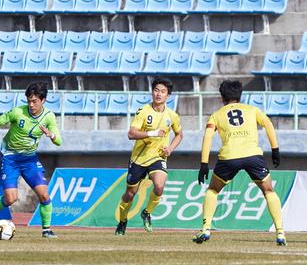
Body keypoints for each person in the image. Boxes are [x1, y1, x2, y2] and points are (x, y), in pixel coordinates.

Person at [192, 79, 286, 246]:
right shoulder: (252, 110)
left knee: (213, 190)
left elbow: (207, 137)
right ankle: (280, 232)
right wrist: (275, 150)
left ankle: (206, 228)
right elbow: (268, 124)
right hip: (253, 156)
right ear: (240, 95)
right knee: (269, 191)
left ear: (222, 97)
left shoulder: (216, 115)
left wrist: (204, 164)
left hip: (229, 157)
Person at [0, 82, 61, 238]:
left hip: (30, 160)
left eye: (34, 101)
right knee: (11, 198)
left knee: (44, 195)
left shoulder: (49, 117)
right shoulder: (17, 112)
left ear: (43, 100)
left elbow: (59, 141)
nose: (31, 104)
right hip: (10, 158)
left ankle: (46, 230)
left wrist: (52, 135)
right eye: (29, 100)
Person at [115, 78, 184, 236]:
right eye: (156, 90)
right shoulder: (143, 111)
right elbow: (131, 134)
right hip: (139, 158)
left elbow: (179, 134)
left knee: (159, 187)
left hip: (158, 158)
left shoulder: (172, 116)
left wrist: (171, 148)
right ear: (152, 92)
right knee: (130, 194)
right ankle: (123, 221)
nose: (159, 94)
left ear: (168, 95)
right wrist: (152, 133)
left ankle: (146, 213)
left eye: (163, 91)